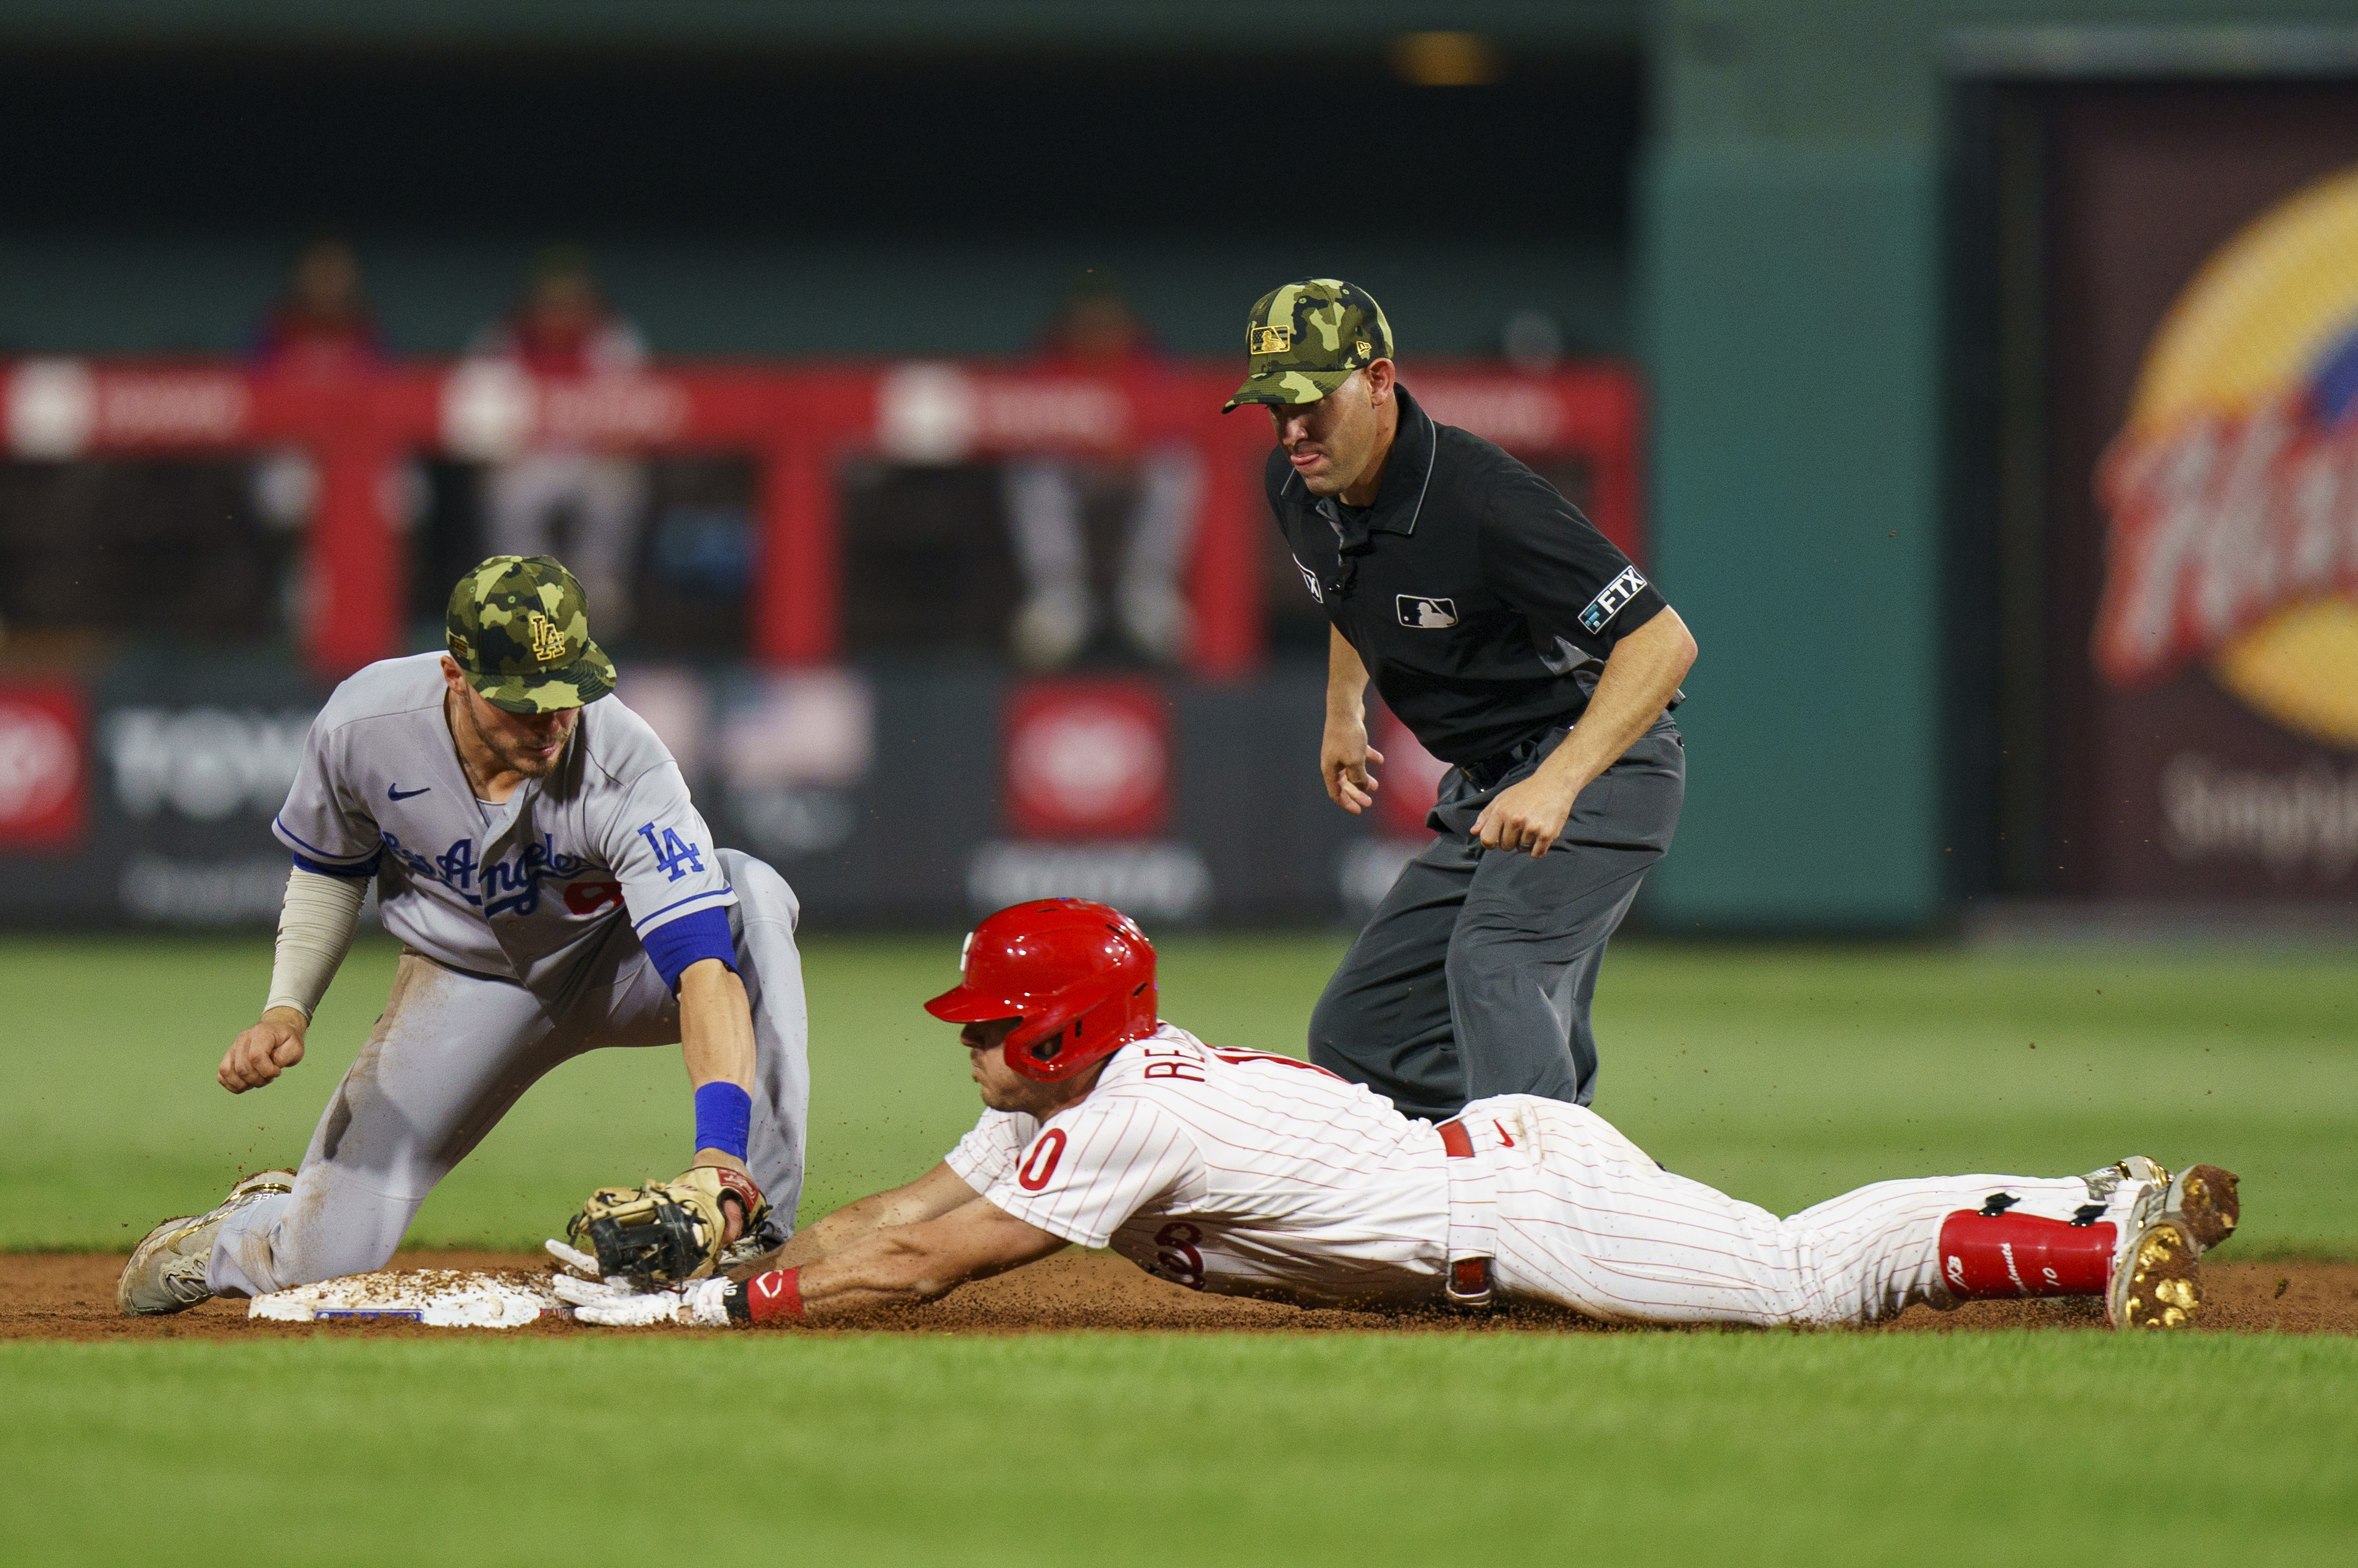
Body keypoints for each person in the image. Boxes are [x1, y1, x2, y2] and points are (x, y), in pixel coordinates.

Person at [550, 899, 2238, 1333]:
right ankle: (2102, 1192)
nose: (972, 1047)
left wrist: (753, 1304)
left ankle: (2086, 1247)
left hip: (1522, 1214)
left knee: (1801, 1278)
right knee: (1785, 1263)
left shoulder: (1122, 1114)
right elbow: (893, 1219)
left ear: (1059, 1029)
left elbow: (931, 1271)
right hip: (1491, 1167)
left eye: (993, 1024)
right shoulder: (1081, 1089)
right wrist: (745, 1256)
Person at [117, 555, 811, 1315]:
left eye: (567, 695)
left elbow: (704, 971)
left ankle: (750, 1221)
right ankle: (248, 1227)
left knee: (750, 893)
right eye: (525, 701)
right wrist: (288, 1007)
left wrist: (716, 1158)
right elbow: (327, 867)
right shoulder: (367, 725)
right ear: (456, 672)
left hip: (619, 965)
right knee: (322, 1262)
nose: (552, 721)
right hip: (464, 982)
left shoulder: (625, 763)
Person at [1224, 278, 1696, 1122]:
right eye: (1273, 406)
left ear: (1376, 380)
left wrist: (1558, 782)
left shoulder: (1483, 500)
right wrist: (1345, 706)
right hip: (1485, 786)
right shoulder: (1302, 486)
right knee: (1361, 1033)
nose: (1291, 429)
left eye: (1309, 402)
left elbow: (1662, 641)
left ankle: (1547, 1208)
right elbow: (1349, 587)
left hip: (1601, 765)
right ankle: (1538, 1180)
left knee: (1496, 965)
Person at [1001, 276, 1201, 666]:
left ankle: (1148, 593)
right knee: (1033, 471)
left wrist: (1129, 453)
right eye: (1087, 325)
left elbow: (1175, 423)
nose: (1098, 334)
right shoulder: (1050, 362)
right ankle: (1059, 599)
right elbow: (1025, 428)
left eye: (1108, 325)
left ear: (1127, 327)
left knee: (1176, 465)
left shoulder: (1146, 363)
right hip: (1071, 476)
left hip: (1134, 478)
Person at [470, 251, 652, 634]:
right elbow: (477, 418)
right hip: (530, 456)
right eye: (552, 303)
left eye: (572, 302)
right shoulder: (505, 341)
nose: (561, 312)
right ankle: (525, 595)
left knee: (618, 485)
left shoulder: (614, 340)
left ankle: (599, 587)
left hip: (591, 455)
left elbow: (636, 411)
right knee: (508, 494)